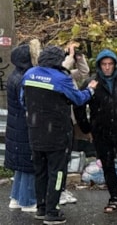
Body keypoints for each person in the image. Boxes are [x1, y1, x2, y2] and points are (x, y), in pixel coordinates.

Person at [21, 45, 97, 225]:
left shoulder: (29, 74)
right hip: (57, 134)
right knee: (58, 173)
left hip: (35, 132)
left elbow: (23, 101)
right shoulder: (61, 78)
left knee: (40, 172)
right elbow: (79, 99)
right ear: (58, 61)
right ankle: (52, 212)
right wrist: (91, 89)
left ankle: (41, 208)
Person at [74, 49, 117, 217]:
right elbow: (79, 104)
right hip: (101, 131)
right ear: (99, 65)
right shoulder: (91, 82)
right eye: (104, 64)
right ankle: (114, 198)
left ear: (115, 65)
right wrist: (87, 127)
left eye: (110, 64)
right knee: (108, 165)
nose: (107, 67)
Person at [5, 43, 37, 213]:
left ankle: (16, 197)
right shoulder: (25, 79)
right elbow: (27, 104)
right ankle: (28, 201)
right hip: (24, 127)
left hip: (16, 126)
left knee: (21, 165)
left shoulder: (14, 75)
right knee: (29, 163)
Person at [59, 41, 90, 206]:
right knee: (59, 159)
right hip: (60, 122)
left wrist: (78, 57)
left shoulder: (68, 75)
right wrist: (69, 57)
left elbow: (84, 72)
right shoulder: (58, 76)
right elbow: (79, 97)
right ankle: (58, 191)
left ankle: (61, 189)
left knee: (66, 156)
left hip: (70, 120)